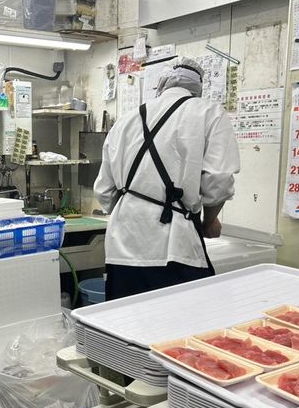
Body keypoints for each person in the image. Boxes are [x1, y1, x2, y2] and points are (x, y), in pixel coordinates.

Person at [94, 57, 240, 301]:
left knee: (124, 320)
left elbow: (104, 192)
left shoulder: (126, 120)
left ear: (161, 85)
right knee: (181, 320)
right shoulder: (209, 112)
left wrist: (134, 213)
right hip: (173, 247)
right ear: (198, 87)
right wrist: (210, 221)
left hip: (122, 246)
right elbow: (219, 181)